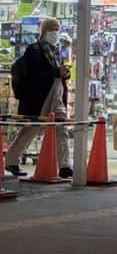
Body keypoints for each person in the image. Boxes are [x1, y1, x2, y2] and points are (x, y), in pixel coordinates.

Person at [6, 19, 72, 179]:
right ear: (44, 32)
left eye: (57, 29)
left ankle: (65, 166)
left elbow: (57, 73)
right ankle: (11, 160)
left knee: (61, 128)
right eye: (52, 29)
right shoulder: (34, 50)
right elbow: (33, 75)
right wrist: (55, 73)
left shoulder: (57, 50)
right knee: (31, 129)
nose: (55, 33)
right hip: (39, 97)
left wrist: (64, 74)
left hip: (56, 95)